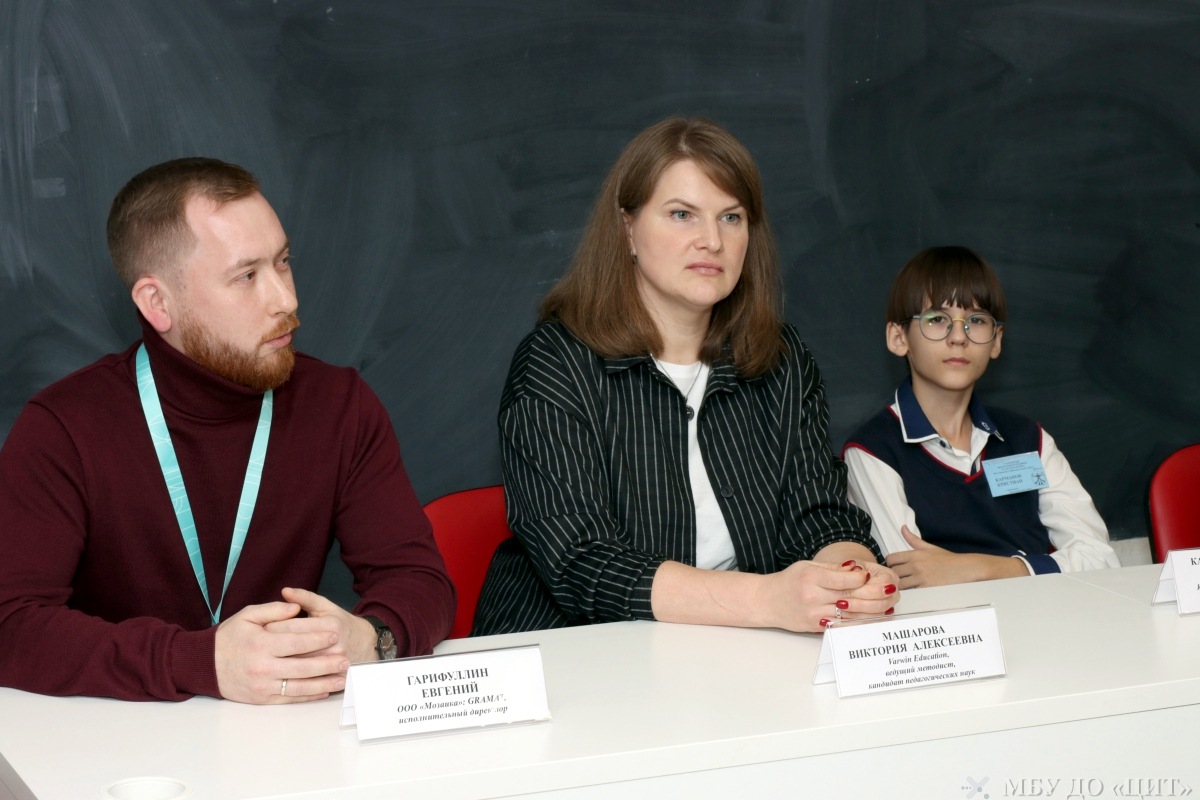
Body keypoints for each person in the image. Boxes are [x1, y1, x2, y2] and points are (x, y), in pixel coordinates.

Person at [0, 158, 455, 703]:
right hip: (119, 737)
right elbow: (10, 624)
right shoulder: (63, 428)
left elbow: (420, 582)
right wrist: (198, 660)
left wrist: (371, 638)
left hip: (289, 728)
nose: (286, 300)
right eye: (246, 276)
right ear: (158, 303)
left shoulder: (339, 405)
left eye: (283, 262)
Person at [472, 117, 899, 636]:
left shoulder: (783, 359)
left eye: (731, 217)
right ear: (627, 228)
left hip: (735, 647)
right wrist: (766, 599)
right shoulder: (555, 361)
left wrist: (850, 577)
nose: (712, 241)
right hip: (573, 651)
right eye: (682, 214)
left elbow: (819, 515)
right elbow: (582, 563)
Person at [843, 246, 1120, 589]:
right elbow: (912, 579)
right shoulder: (873, 451)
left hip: (1044, 616)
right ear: (899, 338)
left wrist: (979, 568)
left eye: (976, 320)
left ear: (996, 341)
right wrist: (1028, 567)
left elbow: (1100, 559)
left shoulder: (1028, 439)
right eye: (937, 319)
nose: (959, 337)